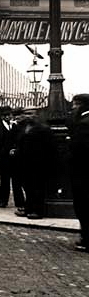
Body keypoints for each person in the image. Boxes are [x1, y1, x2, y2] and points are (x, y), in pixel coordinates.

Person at [14, 108, 53, 220]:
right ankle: (28, 208)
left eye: (30, 114)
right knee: (27, 187)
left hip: (38, 164)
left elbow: (49, 148)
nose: (28, 116)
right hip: (24, 163)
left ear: (37, 115)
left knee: (38, 188)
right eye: (26, 114)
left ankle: (37, 211)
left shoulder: (43, 129)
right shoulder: (23, 128)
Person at [0, 106, 24, 211]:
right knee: (5, 180)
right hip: (3, 159)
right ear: (2, 117)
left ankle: (19, 201)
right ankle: (3, 201)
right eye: (5, 115)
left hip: (15, 158)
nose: (8, 117)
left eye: (9, 115)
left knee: (17, 181)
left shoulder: (16, 127)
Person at [69, 93, 89, 253]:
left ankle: (86, 239)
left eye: (75, 104)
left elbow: (78, 151)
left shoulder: (83, 124)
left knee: (83, 207)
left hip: (83, 174)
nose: (73, 107)